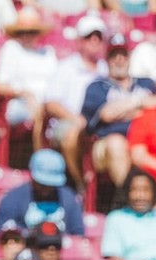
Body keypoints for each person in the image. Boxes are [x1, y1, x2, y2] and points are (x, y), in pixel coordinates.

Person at [81, 34, 156, 201]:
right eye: (114, 55)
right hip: (105, 143)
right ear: (107, 59)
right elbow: (107, 114)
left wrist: (123, 109)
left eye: (123, 55)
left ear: (129, 57)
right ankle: (132, 201)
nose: (119, 60)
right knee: (117, 143)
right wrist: (140, 103)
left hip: (144, 139)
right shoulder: (97, 86)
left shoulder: (146, 83)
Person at [43, 16, 109, 190]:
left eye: (98, 37)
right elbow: (51, 103)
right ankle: (79, 185)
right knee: (72, 135)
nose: (94, 41)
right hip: (68, 123)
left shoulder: (106, 69)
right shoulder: (66, 67)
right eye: (89, 36)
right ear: (79, 41)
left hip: (98, 125)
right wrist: (75, 119)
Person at [0, 8, 57, 133]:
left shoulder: (48, 53)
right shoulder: (11, 49)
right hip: (20, 103)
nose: (27, 36)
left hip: (47, 104)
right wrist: (26, 94)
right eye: (23, 32)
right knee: (38, 114)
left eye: (31, 32)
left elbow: (56, 85)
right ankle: (39, 151)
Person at [0, 150, 85, 236]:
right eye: (42, 183)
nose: (46, 188)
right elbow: (2, 235)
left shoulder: (69, 199)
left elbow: (78, 235)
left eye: (51, 184)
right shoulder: (12, 200)